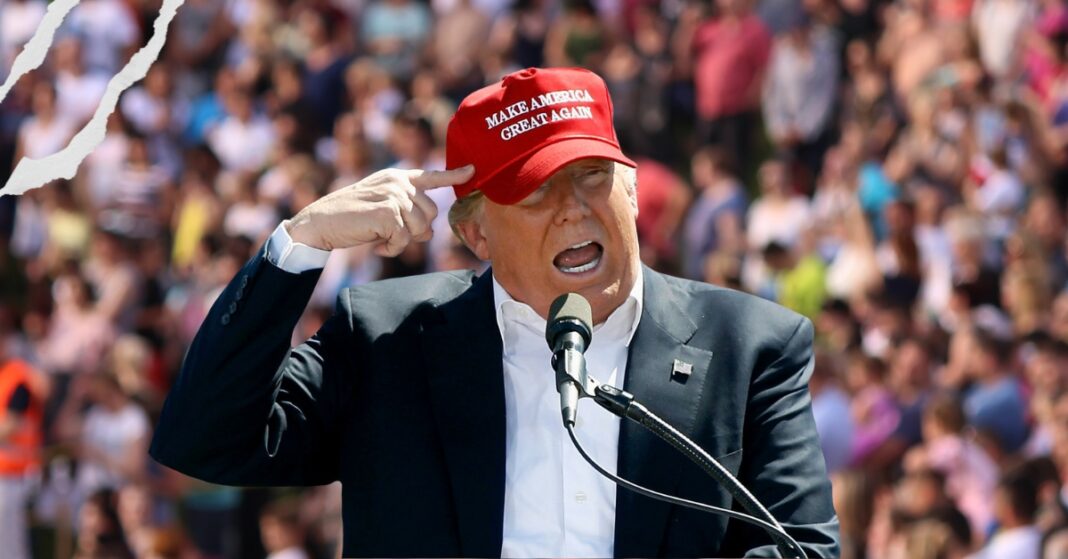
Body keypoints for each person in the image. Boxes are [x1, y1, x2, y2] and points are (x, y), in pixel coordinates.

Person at [151, 67, 839, 557]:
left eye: (592, 176)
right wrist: (299, 243)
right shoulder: (387, 338)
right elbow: (205, 438)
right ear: (476, 233)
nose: (574, 209)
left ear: (631, 190)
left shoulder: (750, 344)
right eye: (537, 191)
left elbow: (803, 547)